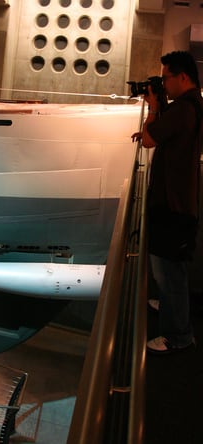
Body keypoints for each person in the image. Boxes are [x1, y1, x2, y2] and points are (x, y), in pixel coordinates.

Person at [131, 50, 201, 354]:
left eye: (166, 78)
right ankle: (172, 307)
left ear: (182, 76)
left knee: (168, 271)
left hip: (173, 206)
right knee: (172, 270)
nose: (164, 83)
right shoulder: (192, 106)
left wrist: (153, 108)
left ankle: (178, 336)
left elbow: (148, 140)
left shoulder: (184, 109)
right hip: (181, 202)